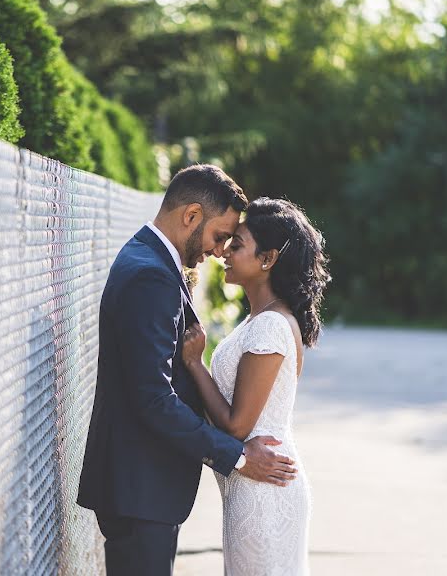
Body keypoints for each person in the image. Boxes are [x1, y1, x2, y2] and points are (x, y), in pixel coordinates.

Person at [77, 165, 298, 576]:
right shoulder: (151, 276)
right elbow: (155, 400)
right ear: (191, 216)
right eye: (219, 236)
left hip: (139, 487)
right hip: (140, 489)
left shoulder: (148, 260)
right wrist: (238, 458)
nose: (219, 251)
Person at [182, 196, 331, 575]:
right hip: (252, 484)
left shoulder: (269, 325)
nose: (226, 252)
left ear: (267, 259)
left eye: (238, 244)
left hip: (263, 490)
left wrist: (195, 364)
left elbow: (236, 426)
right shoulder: (260, 319)